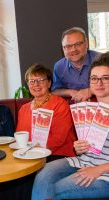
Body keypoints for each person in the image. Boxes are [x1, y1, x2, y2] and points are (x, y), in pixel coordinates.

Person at [32, 52, 109, 200]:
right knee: (44, 171)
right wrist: (80, 147)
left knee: (54, 189)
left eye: (105, 78)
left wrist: (98, 169)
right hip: (84, 161)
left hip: (104, 174)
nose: (99, 83)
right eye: (94, 78)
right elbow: (88, 148)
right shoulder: (89, 109)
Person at [17, 64, 76, 161]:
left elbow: (58, 139)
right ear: (27, 85)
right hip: (30, 154)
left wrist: (33, 153)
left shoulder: (60, 104)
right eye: (32, 81)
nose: (36, 84)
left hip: (59, 155)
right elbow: (21, 136)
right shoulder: (24, 109)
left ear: (49, 83)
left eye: (40, 80)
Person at [52, 27, 99, 102]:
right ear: (63, 49)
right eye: (68, 46)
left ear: (86, 44)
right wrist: (71, 92)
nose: (73, 49)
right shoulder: (59, 67)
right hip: (74, 108)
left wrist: (91, 90)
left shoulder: (102, 60)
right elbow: (54, 91)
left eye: (78, 44)